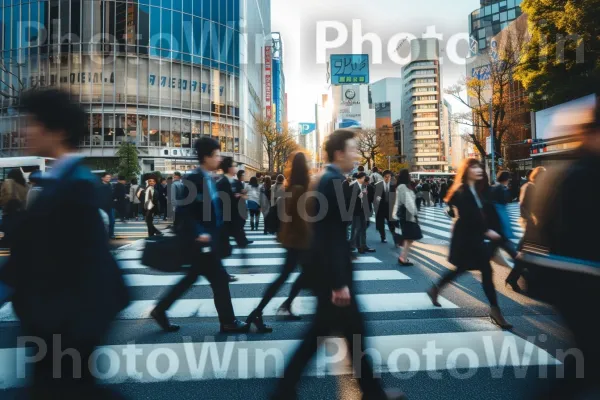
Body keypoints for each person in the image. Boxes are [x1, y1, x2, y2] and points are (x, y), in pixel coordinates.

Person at [0, 89, 129, 399]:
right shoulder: (64, 181)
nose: (22, 131)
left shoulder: (77, 186)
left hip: (63, 330)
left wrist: (70, 333)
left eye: (30, 123)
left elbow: (89, 266)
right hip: (55, 327)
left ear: (56, 130)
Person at [272, 130, 406, 400]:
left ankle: (286, 390)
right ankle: (284, 390)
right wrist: (338, 282)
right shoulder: (332, 182)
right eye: (353, 149)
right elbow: (327, 235)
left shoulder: (327, 179)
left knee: (336, 334)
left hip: (329, 274)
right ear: (339, 153)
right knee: (337, 334)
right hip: (332, 278)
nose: (356, 155)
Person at [527, 98, 600, 399]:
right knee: (587, 360)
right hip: (577, 275)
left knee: (585, 360)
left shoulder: (565, 169)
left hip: (565, 274)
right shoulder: (582, 172)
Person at [151, 137, 249, 334]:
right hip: (200, 242)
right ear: (206, 157)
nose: (219, 158)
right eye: (216, 155)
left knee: (193, 279)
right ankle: (228, 322)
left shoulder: (210, 178)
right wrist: (200, 233)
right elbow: (184, 212)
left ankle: (160, 310)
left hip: (208, 242)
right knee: (218, 280)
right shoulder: (194, 179)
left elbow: (215, 210)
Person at [427, 158, 512, 329]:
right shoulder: (463, 190)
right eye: (474, 167)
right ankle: (495, 311)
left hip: (473, 237)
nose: (478, 169)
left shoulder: (476, 190)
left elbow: (480, 212)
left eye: (480, 167)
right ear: (467, 170)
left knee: (463, 269)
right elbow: (468, 216)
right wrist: (487, 231)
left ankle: (436, 289)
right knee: (483, 271)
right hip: (466, 239)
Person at [247, 152, 312, 328]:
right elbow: (299, 219)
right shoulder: (299, 188)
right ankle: (268, 309)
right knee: (290, 276)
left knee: (287, 276)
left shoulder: (290, 186)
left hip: (292, 240)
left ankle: (271, 309)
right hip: (298, 241)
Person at [505, 166, 546, 290]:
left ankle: (515, 278)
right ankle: (516, 278)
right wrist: (531, 219)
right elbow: (522, 206)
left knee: (528, 253)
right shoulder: (528, 187)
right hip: (531, 225)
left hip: (536, 224)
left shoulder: (537, 187)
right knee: (526, 252)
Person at [217, 157, 251, 248]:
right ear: (229, 168)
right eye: (234, 165)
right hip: (228, 220)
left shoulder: (233, 181)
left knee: (240, 244)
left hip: (234, 219)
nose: (236, 167)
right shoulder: (222, 182)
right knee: (224, 249)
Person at [394, 169, 423, 266]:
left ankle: (403, 257)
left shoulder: (404, 186)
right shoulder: (403, 187)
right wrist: (414, 212)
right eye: (409, 175)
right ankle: (403, 258)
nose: (410, 177)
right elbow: (408, 202)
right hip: (408, 215)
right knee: (410, 237)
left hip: (407, 214)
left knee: (410, 238)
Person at [0, 168, 29, 245]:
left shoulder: (8, 182)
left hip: (10, 212)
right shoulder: (24, 185)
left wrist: (3, 203)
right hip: (21, 214)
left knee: (9, 235)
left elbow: (7, 195)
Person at [350, 172, 375, 254]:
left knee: (363, 228)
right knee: (357, 228)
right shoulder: (352, 185)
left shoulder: (364, 186)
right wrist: (358, 196)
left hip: (363, 210)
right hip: (355, 210)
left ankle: (363, 246)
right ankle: (356, 246)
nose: (365, 179)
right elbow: (349, 199)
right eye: (364, 178)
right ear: (360, 178)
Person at [374, 169, 397, 243]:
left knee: (392, 224)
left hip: (390, 208)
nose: (387, 178)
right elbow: (375, 197)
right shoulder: (378, 185)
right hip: (381, 208)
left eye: (389, 177)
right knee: (381, 224)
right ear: (383, 177)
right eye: (386, 177)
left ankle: (395, 239)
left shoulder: (393, 185)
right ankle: (383, 237)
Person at [99, 172, 115, 239]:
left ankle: (111, 234)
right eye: (107, 177)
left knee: (112, 221)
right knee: (104, 222)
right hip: (102, 206)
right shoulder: (99, 186)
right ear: (102, 178)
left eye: (109, 177)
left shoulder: (110, 185)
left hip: (110, 206)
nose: (108, 178)